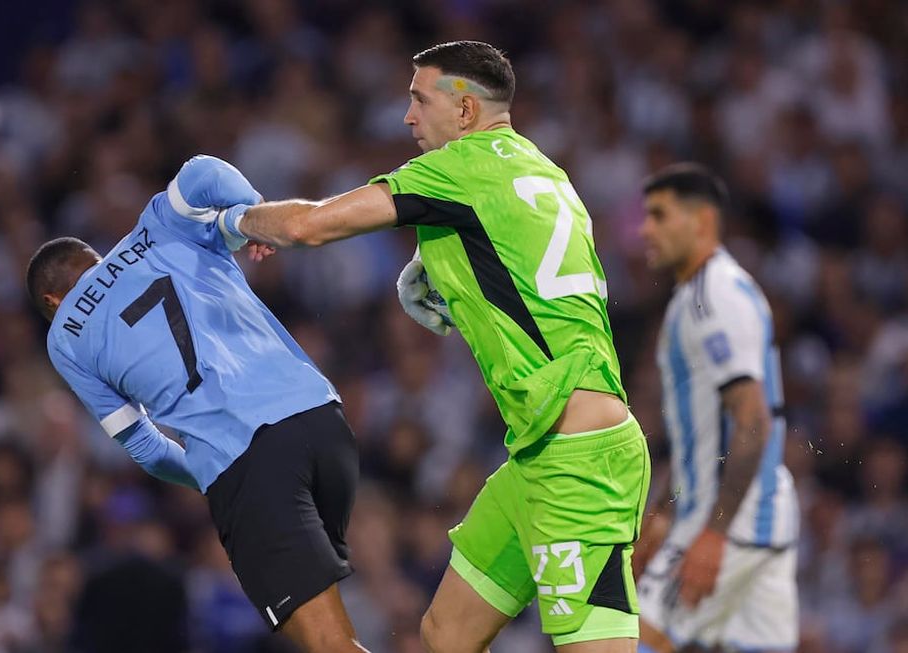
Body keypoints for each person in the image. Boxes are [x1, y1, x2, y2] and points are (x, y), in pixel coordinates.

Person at [226, 40, 651, 653]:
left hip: (578, 461)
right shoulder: (543, 171)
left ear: (465, 110)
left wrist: (231, 220)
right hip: (539, 448)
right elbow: (526, 268)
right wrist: (443, 268)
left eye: (419, 100)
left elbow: (306, 225)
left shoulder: (459, 167)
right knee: (447, 633)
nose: (408, 117)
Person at [25, 155, 369, 653]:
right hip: (325, 424)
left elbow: (145, 447)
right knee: (317, 632)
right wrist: (254, 212)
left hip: (247, 458)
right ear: (96, 259)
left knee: (327, 642)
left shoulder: (65, 336)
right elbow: (204, 171)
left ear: (52, 302)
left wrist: (207, 476)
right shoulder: (156, 228)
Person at [635, 163, 799, 653]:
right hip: (760, 516)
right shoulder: (704, 294)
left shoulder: (714, 298)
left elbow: (753, 421)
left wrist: (714, 532)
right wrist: (663, 511)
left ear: (702, 221)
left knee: (619, 636)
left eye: (659, 216)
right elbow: (704, 438)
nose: (645, 229)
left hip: (730, 522)